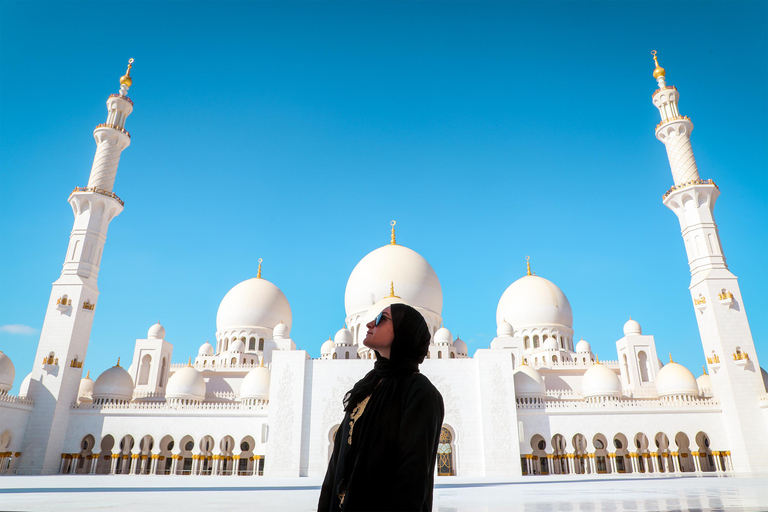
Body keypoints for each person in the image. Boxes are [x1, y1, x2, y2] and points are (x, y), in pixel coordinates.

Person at [318, 303, 445, 512]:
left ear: (405, 332)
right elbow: (335, 469)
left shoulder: (420, 393)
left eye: (381, 319)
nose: (369, 324)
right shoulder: (365, 387)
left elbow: (411, 482)